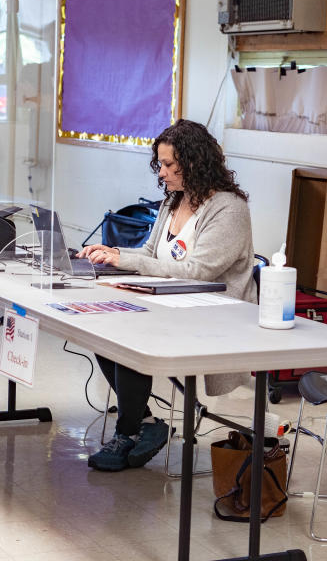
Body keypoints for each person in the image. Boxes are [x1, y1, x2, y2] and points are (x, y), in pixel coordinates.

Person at [78, 119, 257, 472]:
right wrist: (111, 252)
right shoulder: (174, 201)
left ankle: (128, 430)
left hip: (214, 314)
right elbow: (149, 252)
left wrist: (125, 260)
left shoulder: (228, 208)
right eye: (159, 164)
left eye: (170, 165)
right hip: (170, 303)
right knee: (103, 328)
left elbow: (198, 271)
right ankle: (143, 423)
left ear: (195, 163)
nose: (162, 173)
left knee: (131, 336)